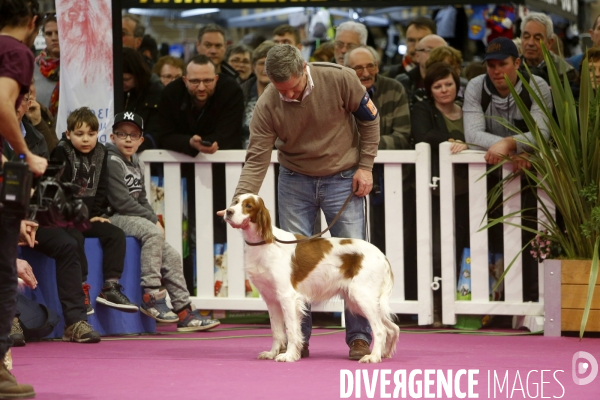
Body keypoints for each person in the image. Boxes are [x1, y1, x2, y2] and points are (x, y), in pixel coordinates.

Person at [223, 45, 380, 360]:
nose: (289, 95)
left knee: (354, 259)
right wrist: (239, 203)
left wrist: (366, 165)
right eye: (282, 90)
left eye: (294, 87)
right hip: (294, 179)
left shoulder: (343, 79)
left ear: (304, 67)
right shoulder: (268, 104)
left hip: (343, 176)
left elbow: (370, 121)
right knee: (292, 265)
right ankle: (299, 340)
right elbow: (256, 159)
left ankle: (360, 338)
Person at [106, 111, 221, 331]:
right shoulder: (112, 160)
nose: (128, 139)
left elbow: (142, 199)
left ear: (141, 140)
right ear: (112, 137)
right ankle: (151, 295)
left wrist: (156, 220)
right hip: (113, 217)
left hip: (133, 216)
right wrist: (152, 222)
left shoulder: (137, 162)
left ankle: (184, 310)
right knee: (153, 232)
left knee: (173, 255)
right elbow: (121, 202)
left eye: (133, 135)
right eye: (122, 134)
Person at [6, 92, 101, 344]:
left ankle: (76, 322)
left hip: (31, 217)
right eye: (11, 96)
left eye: (23, 98)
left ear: (30, 103)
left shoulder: (36, 136)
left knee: (68, 244)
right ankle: (9, 318)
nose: (17, 104)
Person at [463, 37, 553, 302]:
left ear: (517, 62)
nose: (496, 70)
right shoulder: (475, 86)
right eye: (490, 65)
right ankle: (490, 302)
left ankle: (533, 300)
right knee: (486, 237)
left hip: (531, 176)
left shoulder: (537, 86)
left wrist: (509, 142)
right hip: (488, 176)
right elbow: (471, 134)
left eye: (502, 63)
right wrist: (513, 149)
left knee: (531, 237)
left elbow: (543, 133)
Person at [157, 54, 244, 293]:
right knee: (181, 233)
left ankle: (226, 288)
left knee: (222, 230)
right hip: (179, 176)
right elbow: (161, 134)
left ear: (216, 78)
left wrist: (213, 145)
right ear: (185, 80)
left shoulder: (231, 91)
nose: (202, 87)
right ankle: (188, 289)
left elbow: (232, 133)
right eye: (195, 81)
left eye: (207, 80)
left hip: (223, 175)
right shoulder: (171, 94)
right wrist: (189, 143)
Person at [0, 0, 48, 397]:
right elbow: (1, 103)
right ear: (33, 22)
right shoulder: (16, 51)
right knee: (3, 274)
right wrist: (26, 154)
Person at [51, 107, 139, 313]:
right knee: (75, 239)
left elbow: (100, 188)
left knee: (115, 234)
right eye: (79, 134)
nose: (85, 139)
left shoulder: (101, 152)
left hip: (85, 216)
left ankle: (110, 286)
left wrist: (95, 214)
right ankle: (81, 288)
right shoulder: (61, 151)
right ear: (68, 134)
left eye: (91, 134)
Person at [411, 62, 469, 326]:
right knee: (435, 249)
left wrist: (468, 144)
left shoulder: (470, 110)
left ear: (457, 84)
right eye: (437, 86)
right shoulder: (424, 109)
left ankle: (464, 306)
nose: (444, 90)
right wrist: (450, 142)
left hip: (470, 192)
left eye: (448, 84)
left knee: (466, 247)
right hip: (434, 192)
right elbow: (421, 135)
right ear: (429, 89)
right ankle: (435, 308)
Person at [344, 46, 411, 254]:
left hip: (394, 182)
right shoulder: (340, 91)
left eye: (370, 66)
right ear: (346, 70)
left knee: (396, 246)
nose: (365, 73)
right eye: (358, 68)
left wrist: (361, 146)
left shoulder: (394, 88)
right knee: (357, 245)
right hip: (349, 181)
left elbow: (402, 137)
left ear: (377, 66)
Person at [122, 47, 164, 151]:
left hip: (145, 154)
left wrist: (131, 144)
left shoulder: (154, 92)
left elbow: (157, 131)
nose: (122, 84)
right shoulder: (117, 92)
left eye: (126, 79)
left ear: (137, 75)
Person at [519, 12, 576, 85]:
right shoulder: (510, 67)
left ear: (549, 43)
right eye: (526, 37)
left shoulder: (565, 73)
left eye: (537, 38)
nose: (530, 43)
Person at [240, 41, 277, 149]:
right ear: (253, 66)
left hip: (277, 159)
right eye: (261, 63)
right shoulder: (241, 93)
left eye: (270, 64)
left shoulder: (288, 95)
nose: (266, 68)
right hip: (241, 158)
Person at [396, 35, 447, 107]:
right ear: (417, 56)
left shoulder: (462, 86)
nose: (436, 55)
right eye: (429, 50)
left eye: (441, 51)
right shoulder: (402, 83)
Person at [33, 11, 60, 116]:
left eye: (58, 32)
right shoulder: (32, 69)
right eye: (49, 33)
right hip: (41, 130)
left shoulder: (78, 68)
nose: (54, 38)